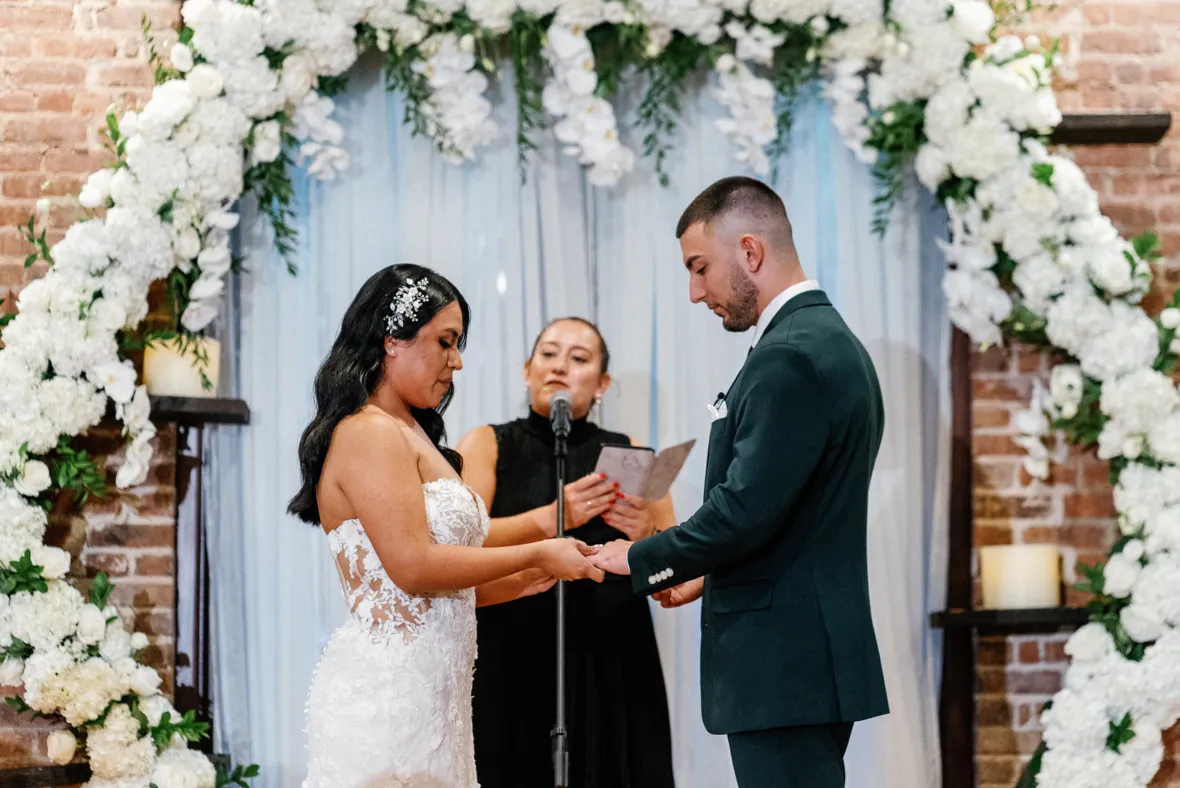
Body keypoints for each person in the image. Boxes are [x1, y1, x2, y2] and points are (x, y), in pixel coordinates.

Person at [590, 177, 889, 788]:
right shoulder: (823, 341)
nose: (696, 293)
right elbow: (787, 513)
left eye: (700, 268)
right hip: (802, 655)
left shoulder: (791, 355)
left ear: (749, 251)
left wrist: (643, 557)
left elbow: (744, 509)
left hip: (783, 660)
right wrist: (702, 573)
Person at [290, 265, 604, 788]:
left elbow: (449, 590)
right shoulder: (368, 431)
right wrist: (535, 553)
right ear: (393, 340)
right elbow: (413, 567)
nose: (457, 361)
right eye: (446, 342)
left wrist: (528, 579)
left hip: (439, 699)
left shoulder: (413, 432)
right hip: (389, 698)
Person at [457, 316, 677, 788]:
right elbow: (460, 544)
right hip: (513, 648)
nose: (560, 367)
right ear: (527, 369)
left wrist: (649, 534)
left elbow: (676, 562)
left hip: (613, 653)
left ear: (602, 384)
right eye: (549, 353)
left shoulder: (631, 452)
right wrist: (555, 515)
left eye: (579, 359)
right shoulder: (487, 443)